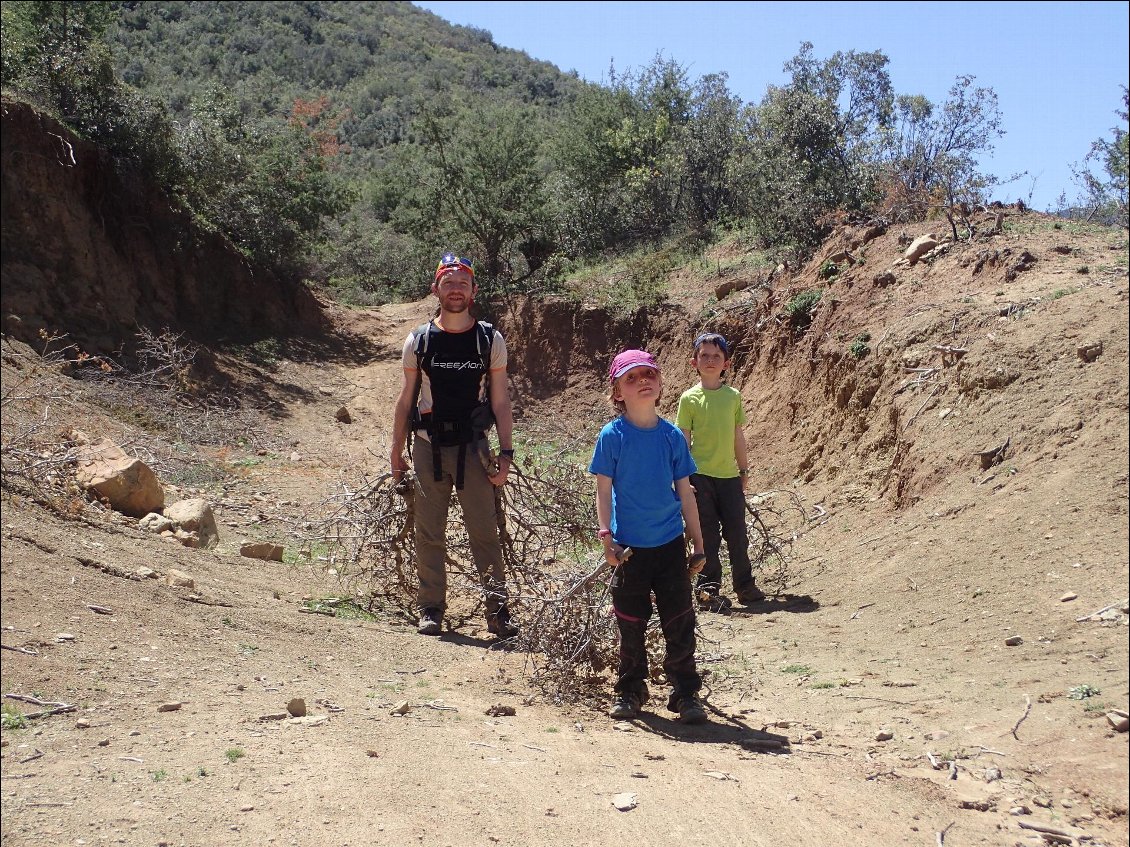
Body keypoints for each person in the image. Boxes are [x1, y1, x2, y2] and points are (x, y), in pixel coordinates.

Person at [390, 252, 519, 639]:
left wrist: (506, 454)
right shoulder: (420, 340)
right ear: (436, 289)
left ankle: (498, 612)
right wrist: (396, 450)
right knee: (429, 531)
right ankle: (431, 608)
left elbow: (500, 401)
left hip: (475, 449)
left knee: (484, 531)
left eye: (463, 282)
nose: (456, 289)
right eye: (449, 282)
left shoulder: (488, 339)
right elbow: (406, 397)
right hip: (429, 445)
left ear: (474, 290)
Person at [589, 348, 709, 725]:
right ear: (617, 392)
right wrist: (607, 538)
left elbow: (686, 494)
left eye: (648, 374)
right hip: (628, 550)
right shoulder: (612, 436)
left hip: (671, 545)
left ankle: (685, 694)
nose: (643, 381)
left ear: (659, 384)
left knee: (679, 620)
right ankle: (630, 691)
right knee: (630, 622)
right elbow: (603, 491)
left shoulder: (672, 436)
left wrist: (699, 546)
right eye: (631, 377)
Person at [675, 332, 765, 613]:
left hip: (728, 477)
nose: (711, 360)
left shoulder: (732, 397)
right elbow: (683, 439)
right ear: (694, 362)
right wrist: (682, 478)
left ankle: (745, 586)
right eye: (705, 355)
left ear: (727, 363)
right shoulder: (688, 399)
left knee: (738, 533)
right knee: (708, 536)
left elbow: (738, 436)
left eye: (717, 356)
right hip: (699, 477)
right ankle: (708, 591)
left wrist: (744, 470)